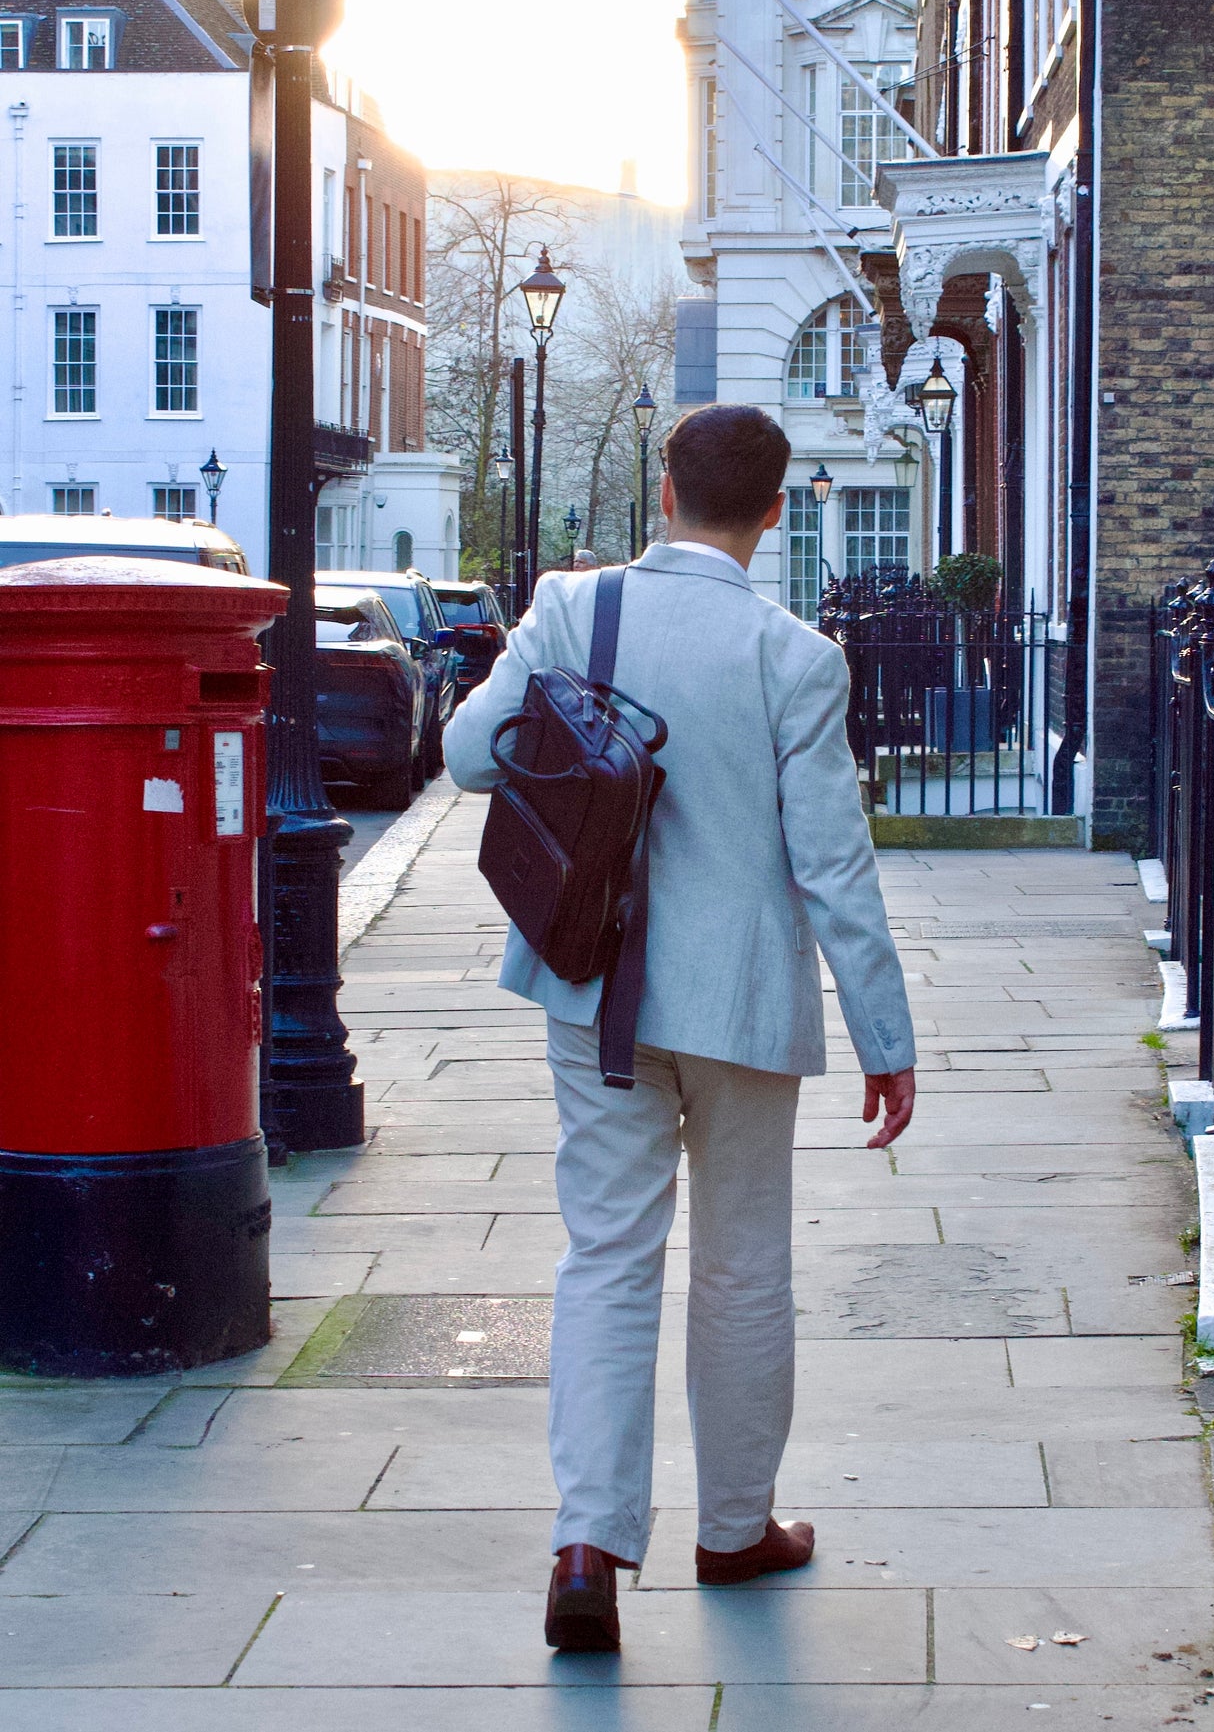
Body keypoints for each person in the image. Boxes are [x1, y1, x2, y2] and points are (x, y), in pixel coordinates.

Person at [443, 403, 916, 1652]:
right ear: (772, 513)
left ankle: (586, 1546)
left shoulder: (569, 608)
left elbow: (466, 755)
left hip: (592, 982)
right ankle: (732, 1528)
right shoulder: (794, 655)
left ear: (662, 490)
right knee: (744, 1263)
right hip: (744, 1004)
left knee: (605, 1254)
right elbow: (832, 867)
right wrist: (885, 1034)